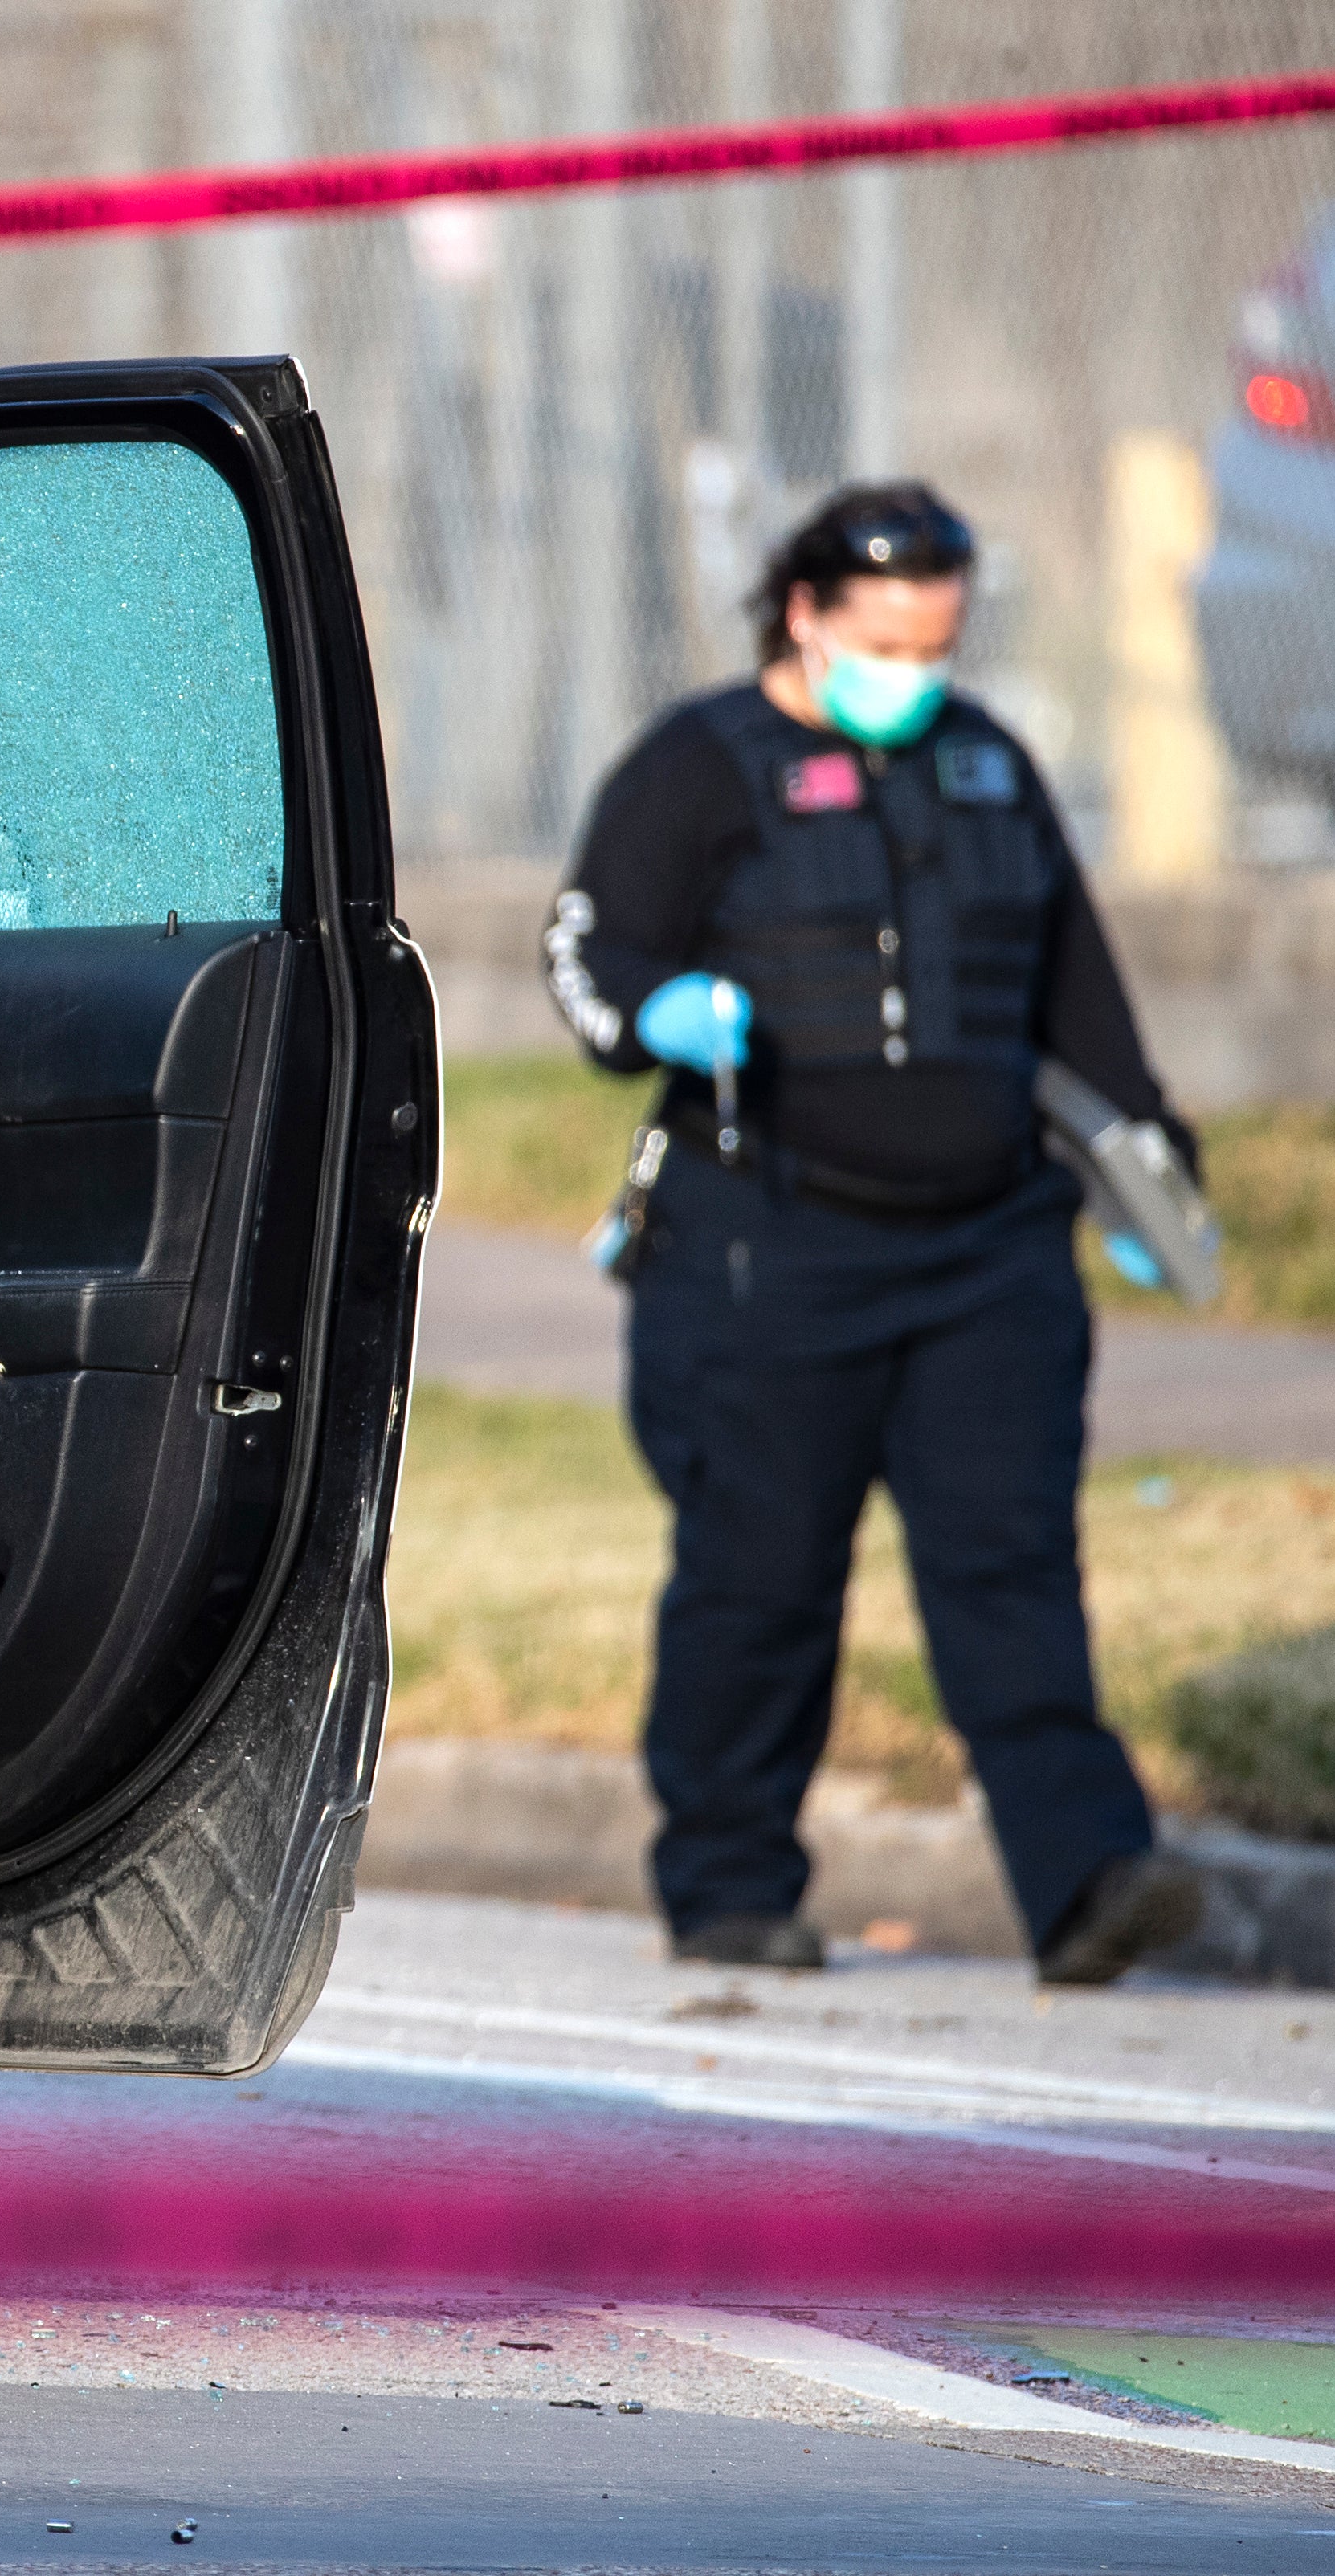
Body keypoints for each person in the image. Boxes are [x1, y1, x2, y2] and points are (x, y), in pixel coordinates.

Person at [544, 481, 1206, 1984]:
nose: (917, 670)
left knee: (1012, 1564)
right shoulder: (701, 766)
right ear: (807, 615)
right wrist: (650, 1010)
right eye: (888, 640)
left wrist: (1151, 1149)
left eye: (940, 641)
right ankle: (726, 1881)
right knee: (760, 1572)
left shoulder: (989, 765)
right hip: (769, 1243)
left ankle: (1088, 1877)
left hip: (990, 1255)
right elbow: (590, 943)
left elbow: (1073, 985)